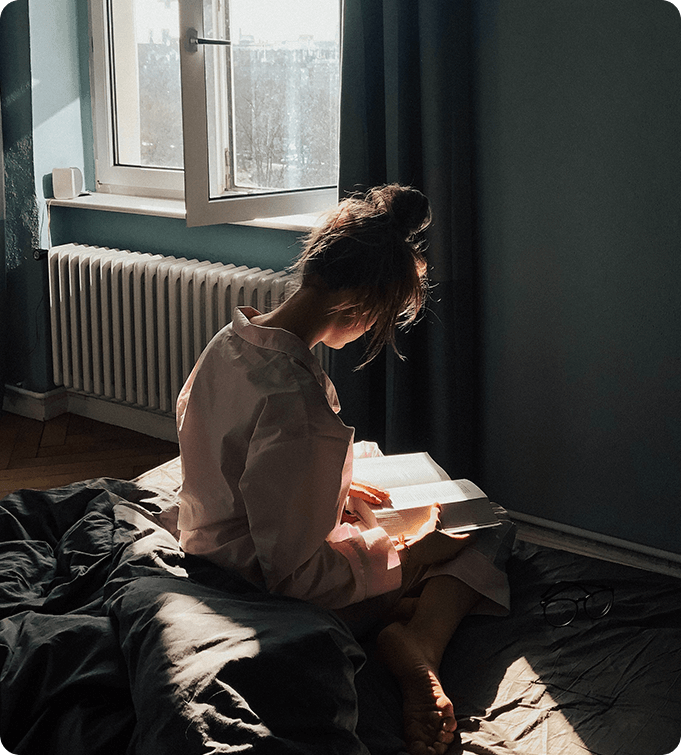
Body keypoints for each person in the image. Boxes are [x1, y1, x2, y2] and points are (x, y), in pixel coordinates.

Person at [176, 184, 515, 755]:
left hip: (209, 541)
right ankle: (420, 644)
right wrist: (408, 554)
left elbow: (225, 450)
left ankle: (410, 620)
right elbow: (296, 577)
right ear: (358, 309)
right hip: (258, 588)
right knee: (491, 527)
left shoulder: (230, 341)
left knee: (410, 514)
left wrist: (333, 485)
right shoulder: (296, 401)